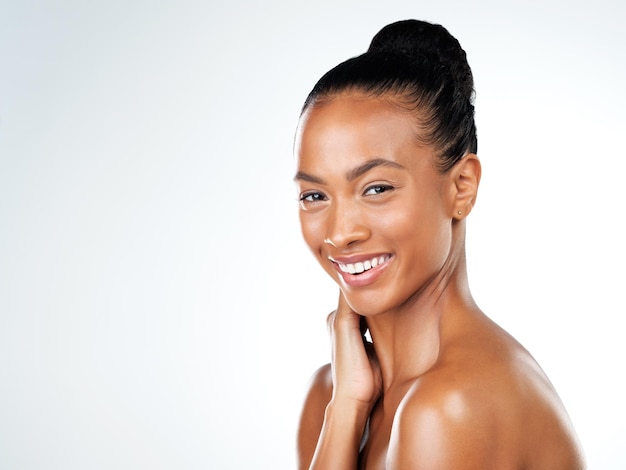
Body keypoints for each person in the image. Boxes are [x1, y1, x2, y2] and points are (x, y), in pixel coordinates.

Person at [293, 19, 585, 469]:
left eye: (376, 189)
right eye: (315, 195)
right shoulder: (330, 396)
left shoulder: (452, 405)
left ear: (461, 186)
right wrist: (347, 406)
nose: (339, 232)